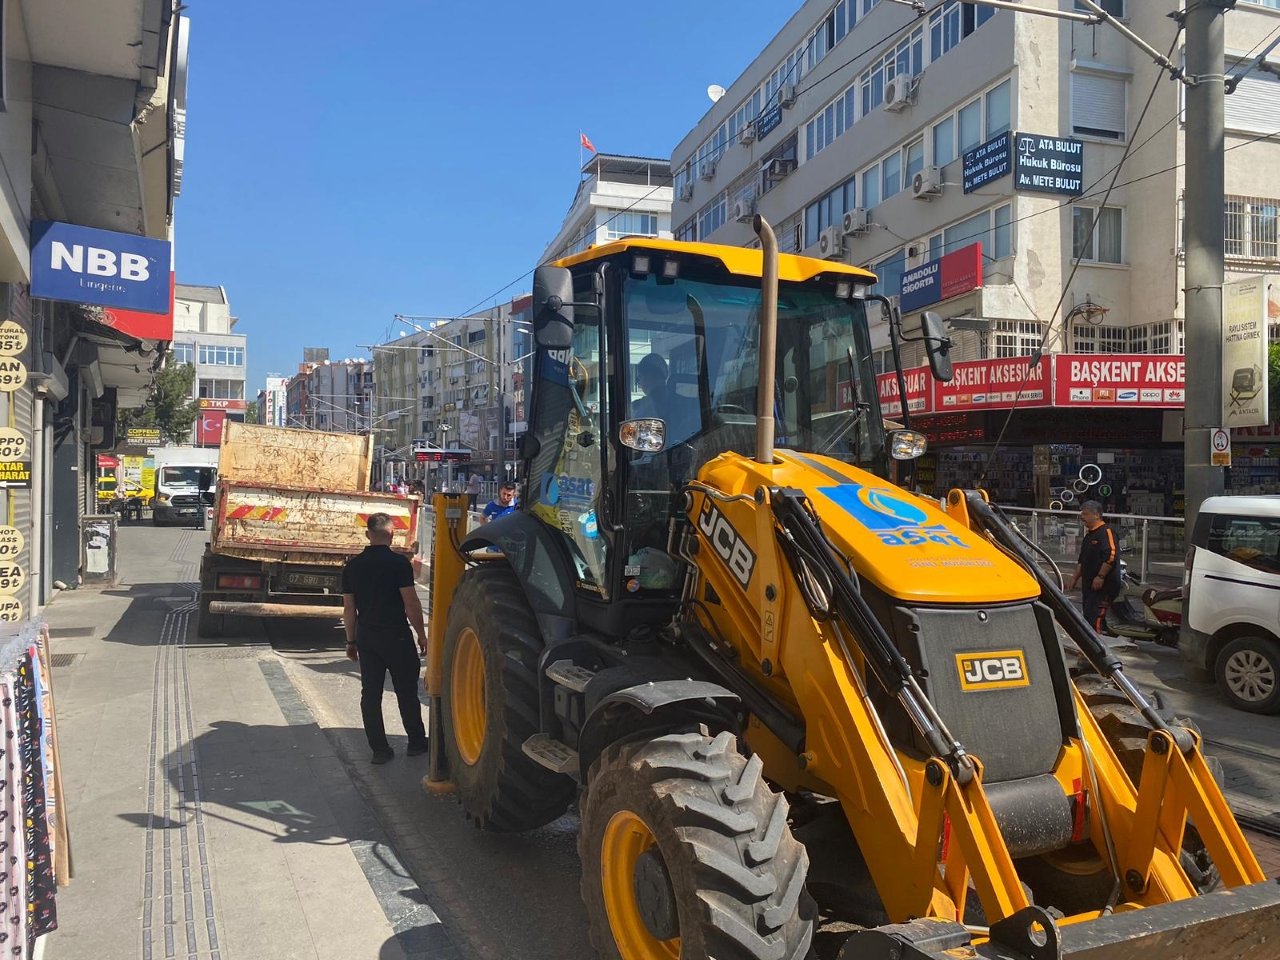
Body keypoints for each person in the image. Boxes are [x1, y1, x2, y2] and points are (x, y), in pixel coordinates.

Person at [341, 513, 429, 764]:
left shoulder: (352, 566)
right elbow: (411, 603)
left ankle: (379, 749)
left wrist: (351, 641)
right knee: (406, 691)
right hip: (397, 636)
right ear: (391, 535)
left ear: (368, 535)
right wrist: (421, 634)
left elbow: (349, 609)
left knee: (370, 693)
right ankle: (415, 742)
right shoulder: (399, 564)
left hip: (367, 637)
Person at [1068, 500, 1121, 633]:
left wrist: (1101, 576)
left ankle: (1097, 646)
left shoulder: (1106, 532)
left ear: (1096, 515)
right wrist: (1074, 578)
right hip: (1089, 584)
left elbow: (1111, 555)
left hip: (1103, 585)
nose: (1082, 517)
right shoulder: (1089, 536)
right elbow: (1083, 559)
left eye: (1085, 514)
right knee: (1088, 615)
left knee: (1095, 617)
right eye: (1082, 514)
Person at [633, 353, 673, 420]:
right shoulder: (683, 403)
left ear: (647, 377)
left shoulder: (637, 407)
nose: (639, 383)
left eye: (639, 378)